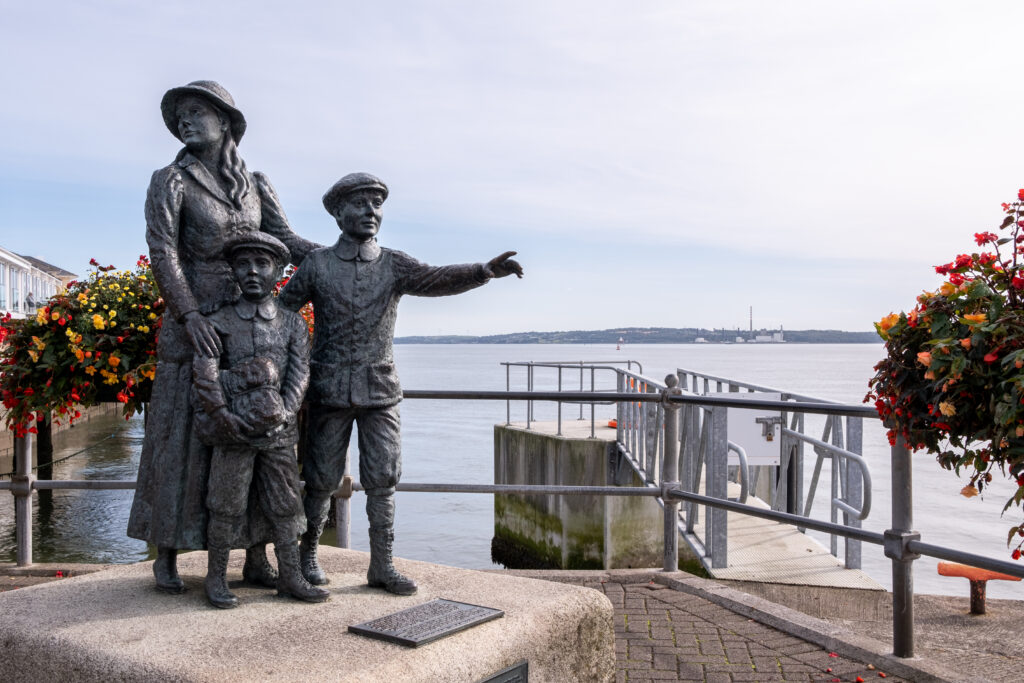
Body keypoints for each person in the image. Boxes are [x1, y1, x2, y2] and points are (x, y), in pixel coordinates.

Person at [278, 172, 522, 595]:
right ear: (338, 213)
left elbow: (436, 278)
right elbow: (282, 313)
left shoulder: (393, 264)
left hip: (380, 391)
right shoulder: (316, 265)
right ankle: (308, 555)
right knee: (319, 479)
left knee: (383, 480)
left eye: (376, 203)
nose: (370, 211)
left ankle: (382, 565)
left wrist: (483, 271)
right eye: (359, 203)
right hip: (328, 390)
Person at [127, 80, 318, 594]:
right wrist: (189, 317)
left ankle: (257, 557)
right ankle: (165, 553)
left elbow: (288, 241)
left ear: (225, 121)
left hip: (254, 322)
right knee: (178, 443)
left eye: (196, 112)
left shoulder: (255, 183)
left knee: (257, 432)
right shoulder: (170, 179)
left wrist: (335, 258)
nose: (185, 122)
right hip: (198, 324)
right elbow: (164, 252)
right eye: (180, 116)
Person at [192, 232, 329, 608]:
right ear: (233, 270)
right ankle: (216, 578)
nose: (252, 272)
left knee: (286, 504)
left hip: (278, 433)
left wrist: (286, 411)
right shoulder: (216, 321)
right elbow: (204, 371)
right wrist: (221, 414)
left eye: (262, 264)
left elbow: (300, 373)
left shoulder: (292, 323)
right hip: (231, 432)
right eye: (243, 264)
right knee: (226, 503)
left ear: (279, 272)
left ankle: (290, 576)